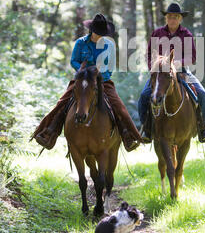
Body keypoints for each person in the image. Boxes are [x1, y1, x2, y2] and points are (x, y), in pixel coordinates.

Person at [31, 14, 142, 152]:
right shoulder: (80, 43)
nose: (100, 36)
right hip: (82, 80)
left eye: (103, 34)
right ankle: (47, 133)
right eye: (98, 33)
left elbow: (110, 67)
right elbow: (74, 60)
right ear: (92, 31)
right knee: (62, 103)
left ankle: (129, 136)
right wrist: (82, 71)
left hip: (103, 81)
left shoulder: (109, 46)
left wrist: (99, 75)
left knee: (119, 106)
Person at [138, 3, 205, 143]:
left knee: (201, 93)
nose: (172, 19)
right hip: (160, 73)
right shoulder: (157, 33)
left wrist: (178, 62)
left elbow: (193, 57)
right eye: (170, 17)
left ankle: (203, 127)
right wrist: (153, 68)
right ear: (166, 18)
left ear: (180, 19)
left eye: (176, 17)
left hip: (182, 72)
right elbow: (148, 54)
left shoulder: (186, 34)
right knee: (144, 96)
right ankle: (146, 129)